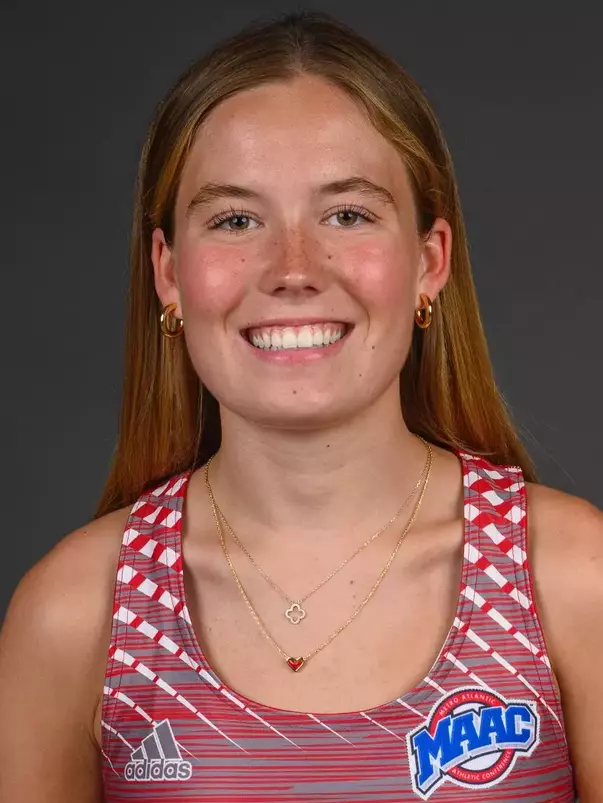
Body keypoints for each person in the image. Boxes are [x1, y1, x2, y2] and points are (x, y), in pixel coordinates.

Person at [0, 9, 601, 802]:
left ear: (429, 263)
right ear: (169, 274)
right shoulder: (76, 612)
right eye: (235, 219)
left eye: (346, 214)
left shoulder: (574, 580)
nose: (292, 267)